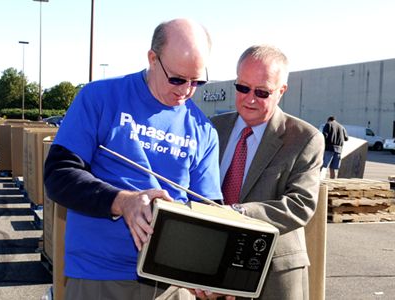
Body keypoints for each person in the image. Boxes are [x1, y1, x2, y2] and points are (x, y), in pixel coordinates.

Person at [44, 18, 224, 300]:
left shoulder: (203, 130)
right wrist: (123, 201)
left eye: (197, 81)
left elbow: (210, 211)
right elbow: (59, 176)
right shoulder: (99, 98)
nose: (186, 91)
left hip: (171, 285)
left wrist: (208, 273)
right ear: (153, 59)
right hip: (100, 276)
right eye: (177, 78)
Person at [211, 45, 325, 300]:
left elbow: (300, 205)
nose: (249, 98)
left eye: (262, 92)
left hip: (272, 277)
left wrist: (239, 213)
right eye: (242, 87)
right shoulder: (213, 129)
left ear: (281, 91)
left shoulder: (305, 138)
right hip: (210, 266)